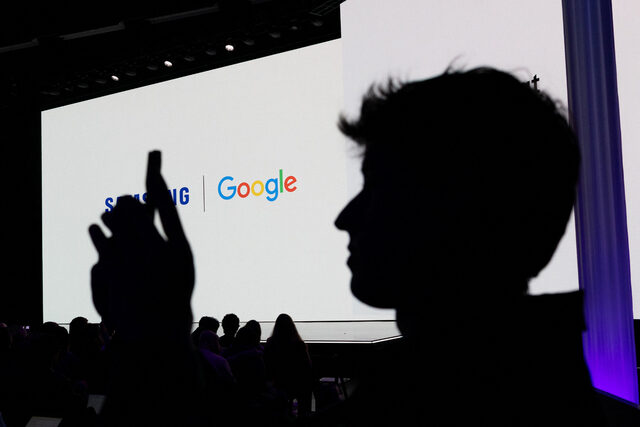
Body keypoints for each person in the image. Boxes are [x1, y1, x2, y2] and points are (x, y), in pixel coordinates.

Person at [330, 67, 604, 426]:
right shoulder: (555, 392)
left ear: (460, 206)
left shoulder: (414, 403)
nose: (344, 218)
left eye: (377, 186)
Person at [264, 313, 313, 417]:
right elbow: (307, 368)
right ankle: (304, 416)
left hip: (276, 384)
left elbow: (267, 366)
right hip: (294, 384)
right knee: (306, 389)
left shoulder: (270, 343)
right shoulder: (299, 345)